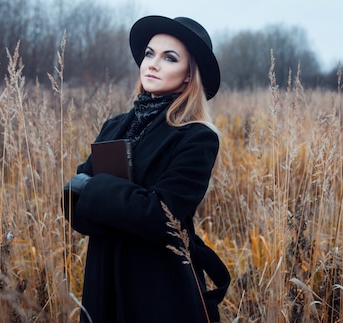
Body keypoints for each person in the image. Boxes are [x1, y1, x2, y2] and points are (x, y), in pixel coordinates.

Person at [63, 15, 230, 323]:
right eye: (150, 53)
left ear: (187, 75)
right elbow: (75, 204)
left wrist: (95, 192)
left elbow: (161, 215)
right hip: (104, 275)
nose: (152, 63)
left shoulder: (196, 137)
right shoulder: (115, 126)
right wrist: (114, 202)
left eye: (170, 58)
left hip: (156, 282)